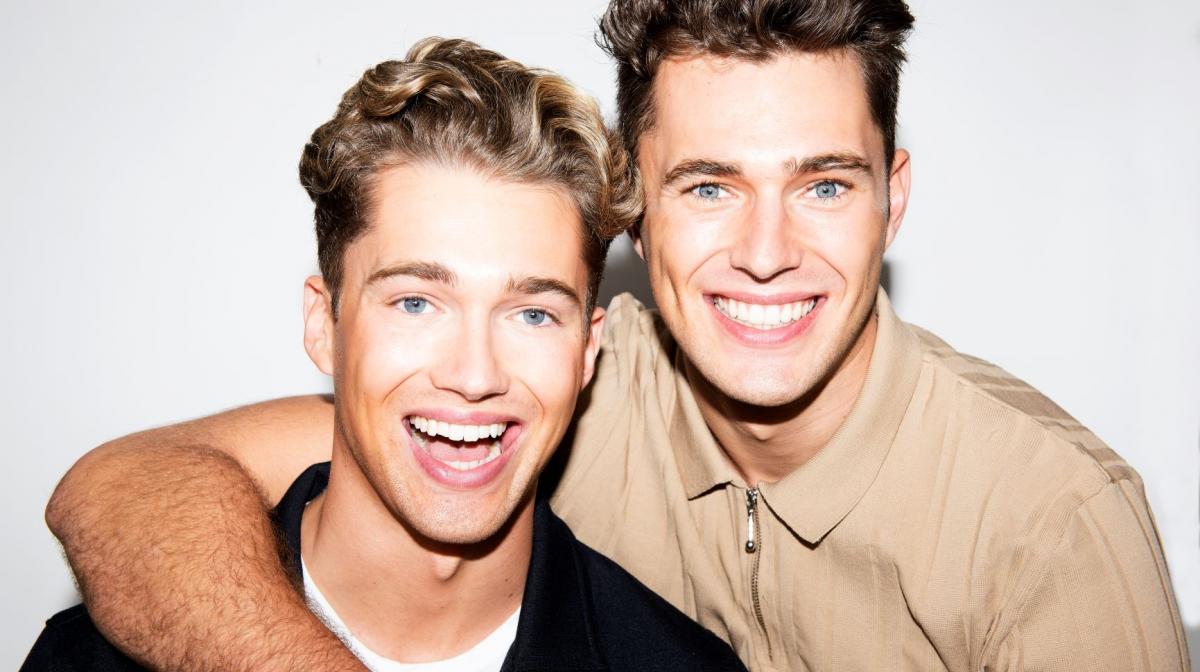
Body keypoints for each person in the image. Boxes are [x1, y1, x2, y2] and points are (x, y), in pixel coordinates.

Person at [44, 1, 1191, 670]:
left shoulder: (1050, 524)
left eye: (825, 185)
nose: (765, 251)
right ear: (637, 209)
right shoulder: (555, 386)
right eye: (708, 187)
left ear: (894, 199)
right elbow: (126, 486)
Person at [23, 37, 745, 672]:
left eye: (532, 314)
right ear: (323, 323)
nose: (474, 375)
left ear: (588, 351)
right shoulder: (94, 659)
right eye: (415, 303)